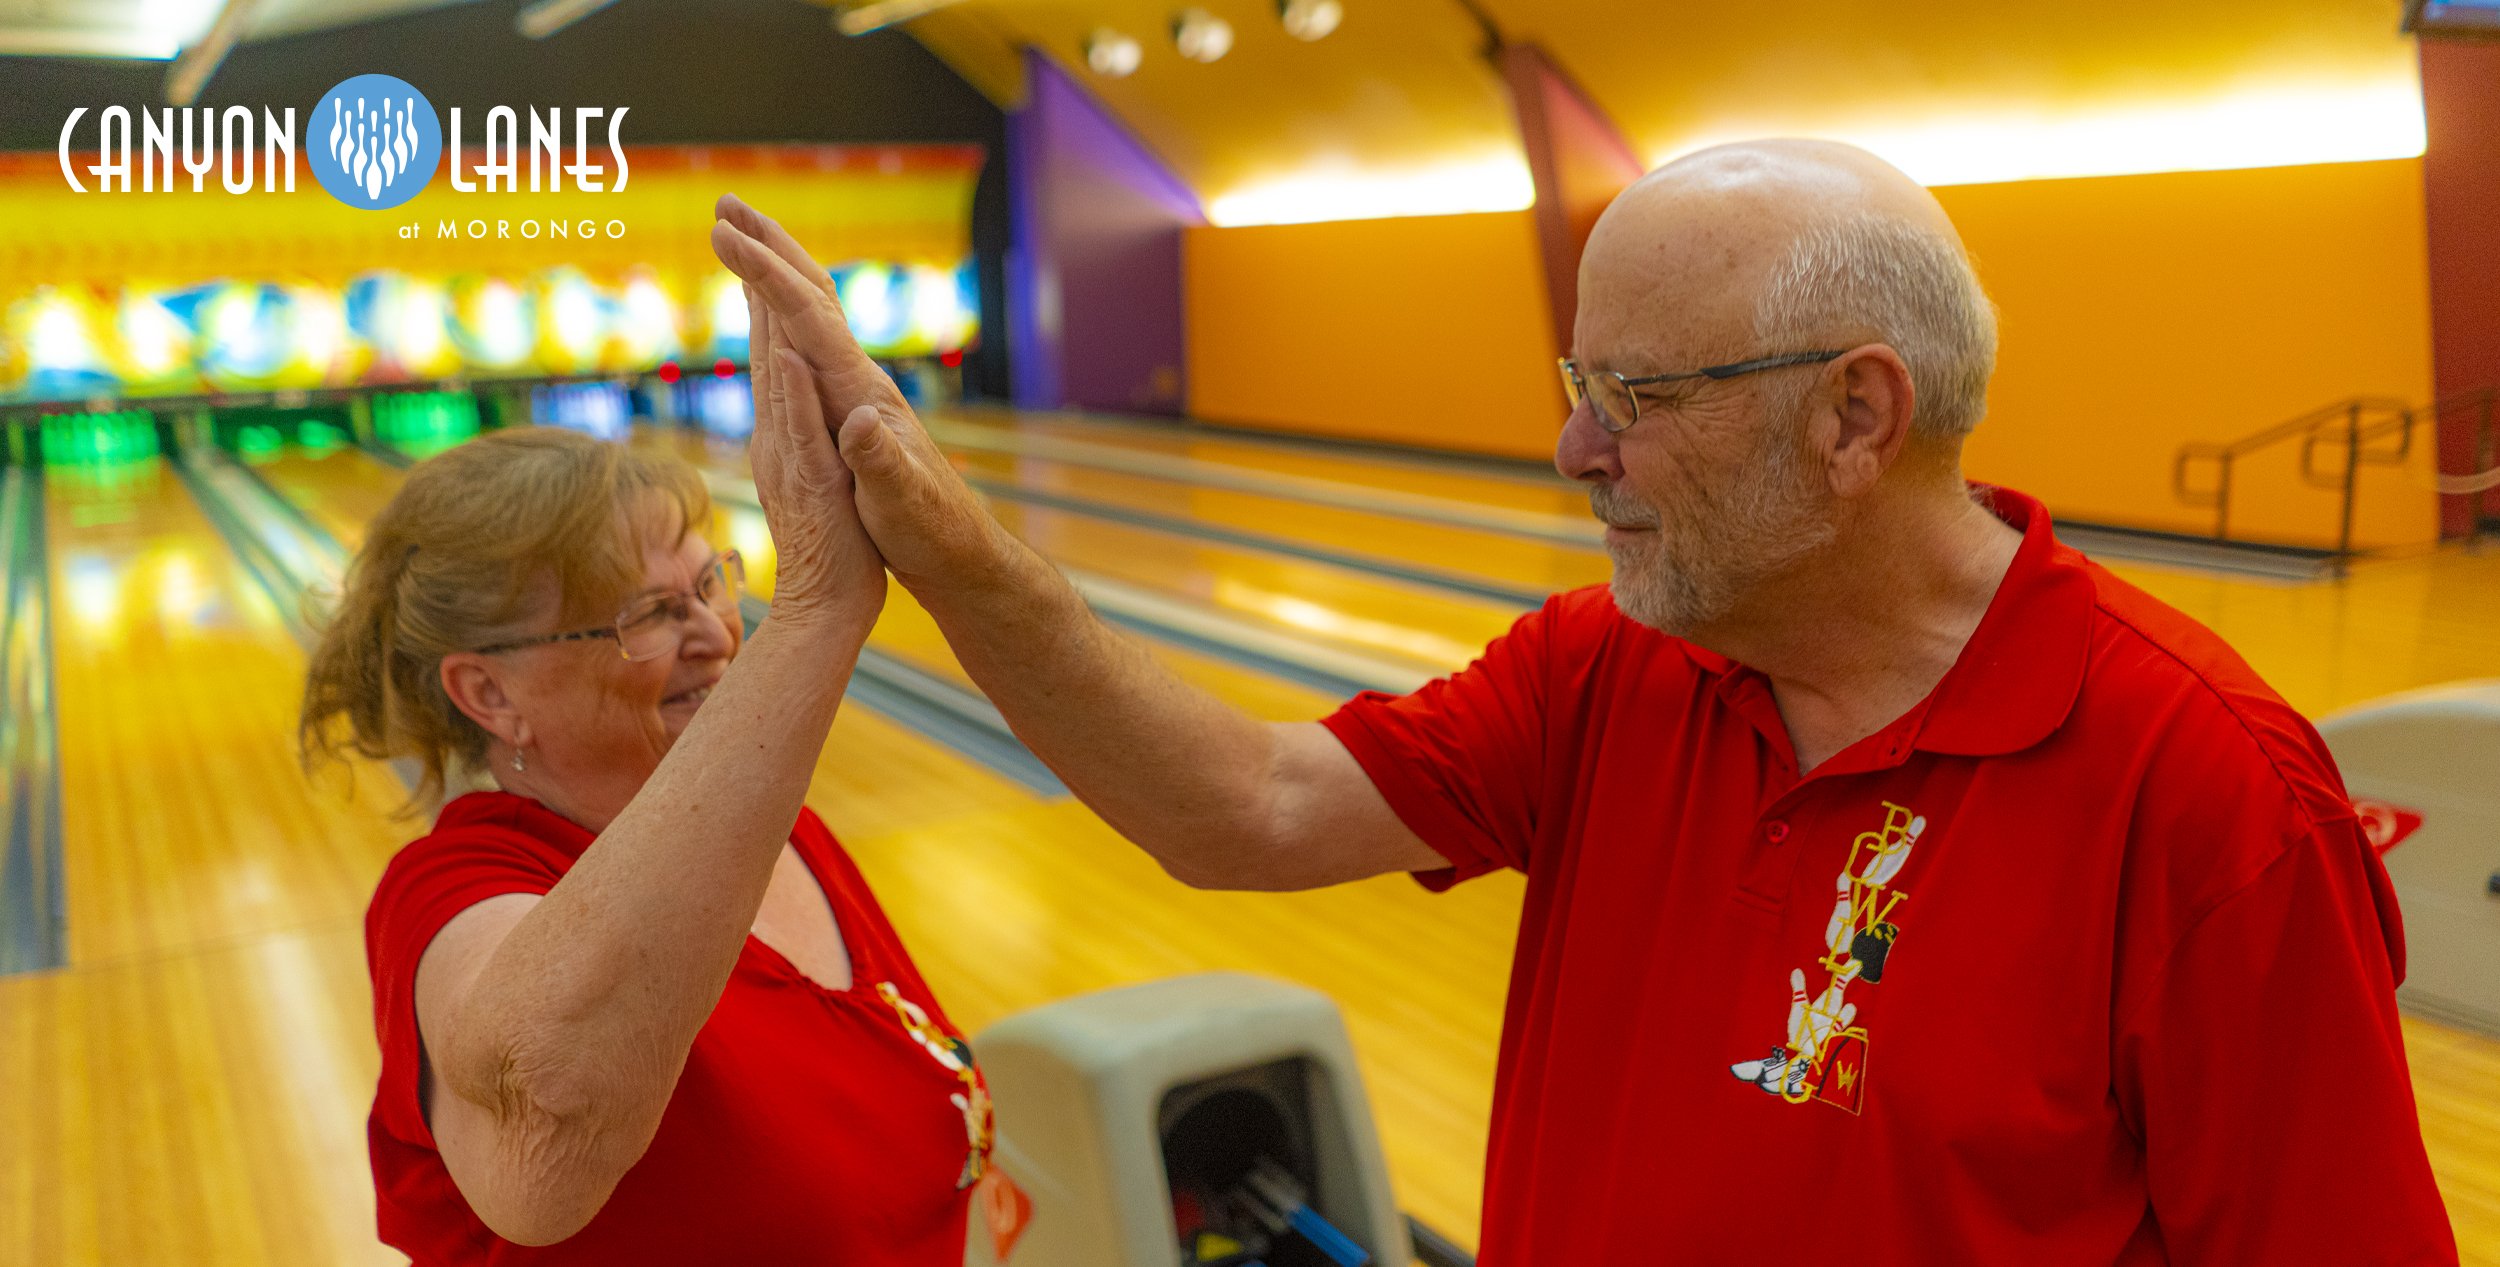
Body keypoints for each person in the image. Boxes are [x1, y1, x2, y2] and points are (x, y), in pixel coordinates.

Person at [712, 133, 2457, 1267]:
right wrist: (944, 540)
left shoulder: (2207, 793)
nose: (1572, 451)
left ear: (1857, 416)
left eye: (1632, 393)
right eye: (1574, 383)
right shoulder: (1615, 668)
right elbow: (1241, 806)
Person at [300, 317, 992, 1263]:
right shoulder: (452, 896)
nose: (711, 630)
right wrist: (819, 615)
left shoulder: (781, 832)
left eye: (711, 584)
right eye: (650, 615)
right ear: (488, 692)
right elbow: (543, 1123)